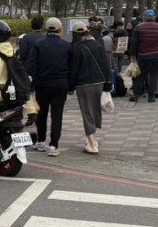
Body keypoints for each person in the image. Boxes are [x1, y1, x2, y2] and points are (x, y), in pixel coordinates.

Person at [27, 17, 72, 155]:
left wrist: (33, 82)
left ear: (46, 28)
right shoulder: (67, 45)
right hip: (60, 83)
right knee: (56, 115)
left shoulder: (38, 44)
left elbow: (32, 66)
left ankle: (41, 141)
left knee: (42, 113)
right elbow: (71, 66)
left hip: (43, 83)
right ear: (60, 28)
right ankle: (54, 146)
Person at [68, 21, 108, 155]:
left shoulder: (77, 48)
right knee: (95, 110)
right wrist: (108, 82)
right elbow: (105, 65)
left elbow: (73, 70)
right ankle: (92, 139)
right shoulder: (97, 45)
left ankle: (92, 143)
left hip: (83, 84)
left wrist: (70, 86)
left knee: (87, 112)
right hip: (99, 82)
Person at [129, 9, 158, 104]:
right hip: (157, 56)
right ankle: (151, 97)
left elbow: (133, 43)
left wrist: (133, 55)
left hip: (143, 56)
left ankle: (136, 95)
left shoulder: (138, 27)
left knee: (140, 76)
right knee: (153, 76)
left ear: (144, 17)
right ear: (154, 17)